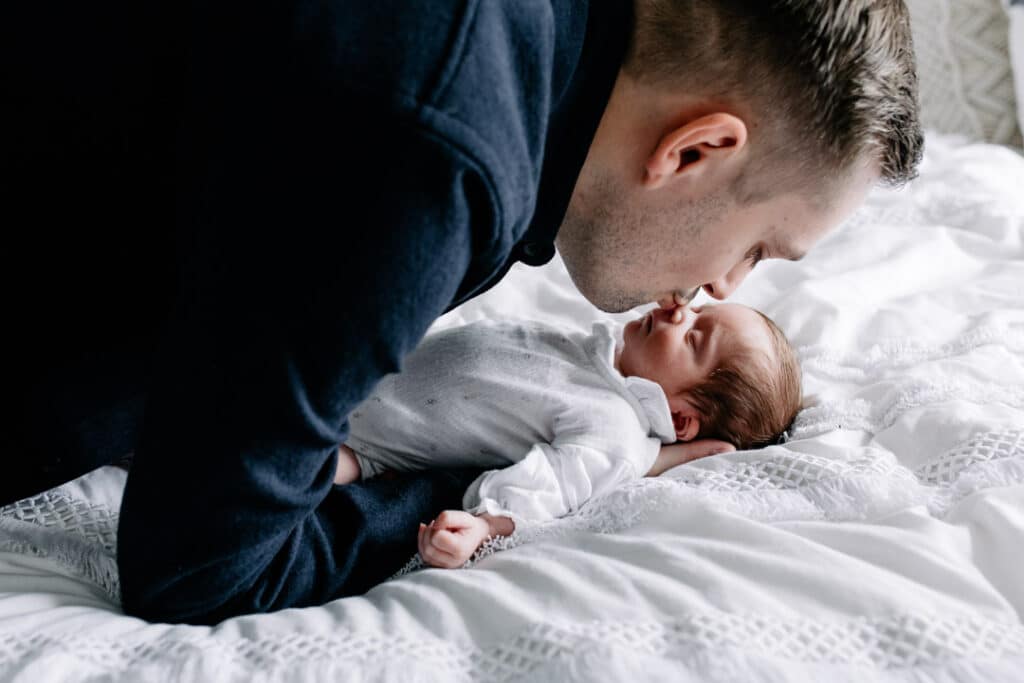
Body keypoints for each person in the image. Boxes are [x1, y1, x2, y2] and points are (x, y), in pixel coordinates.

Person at [2, 0, 922, 624]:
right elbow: (204, 572)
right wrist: (454, 480)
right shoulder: (436, 154)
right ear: (694, 151)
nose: (725, 285)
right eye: (760, 248)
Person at [329, 303, 800, 568]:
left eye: (695, 338)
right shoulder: (607, 359)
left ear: (679, 420)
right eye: (698, 309)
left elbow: (551, 486)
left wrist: (485, 525)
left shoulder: (615, 429)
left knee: (282, 454)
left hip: (359, 443)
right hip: (364, 370)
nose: (680, 310)